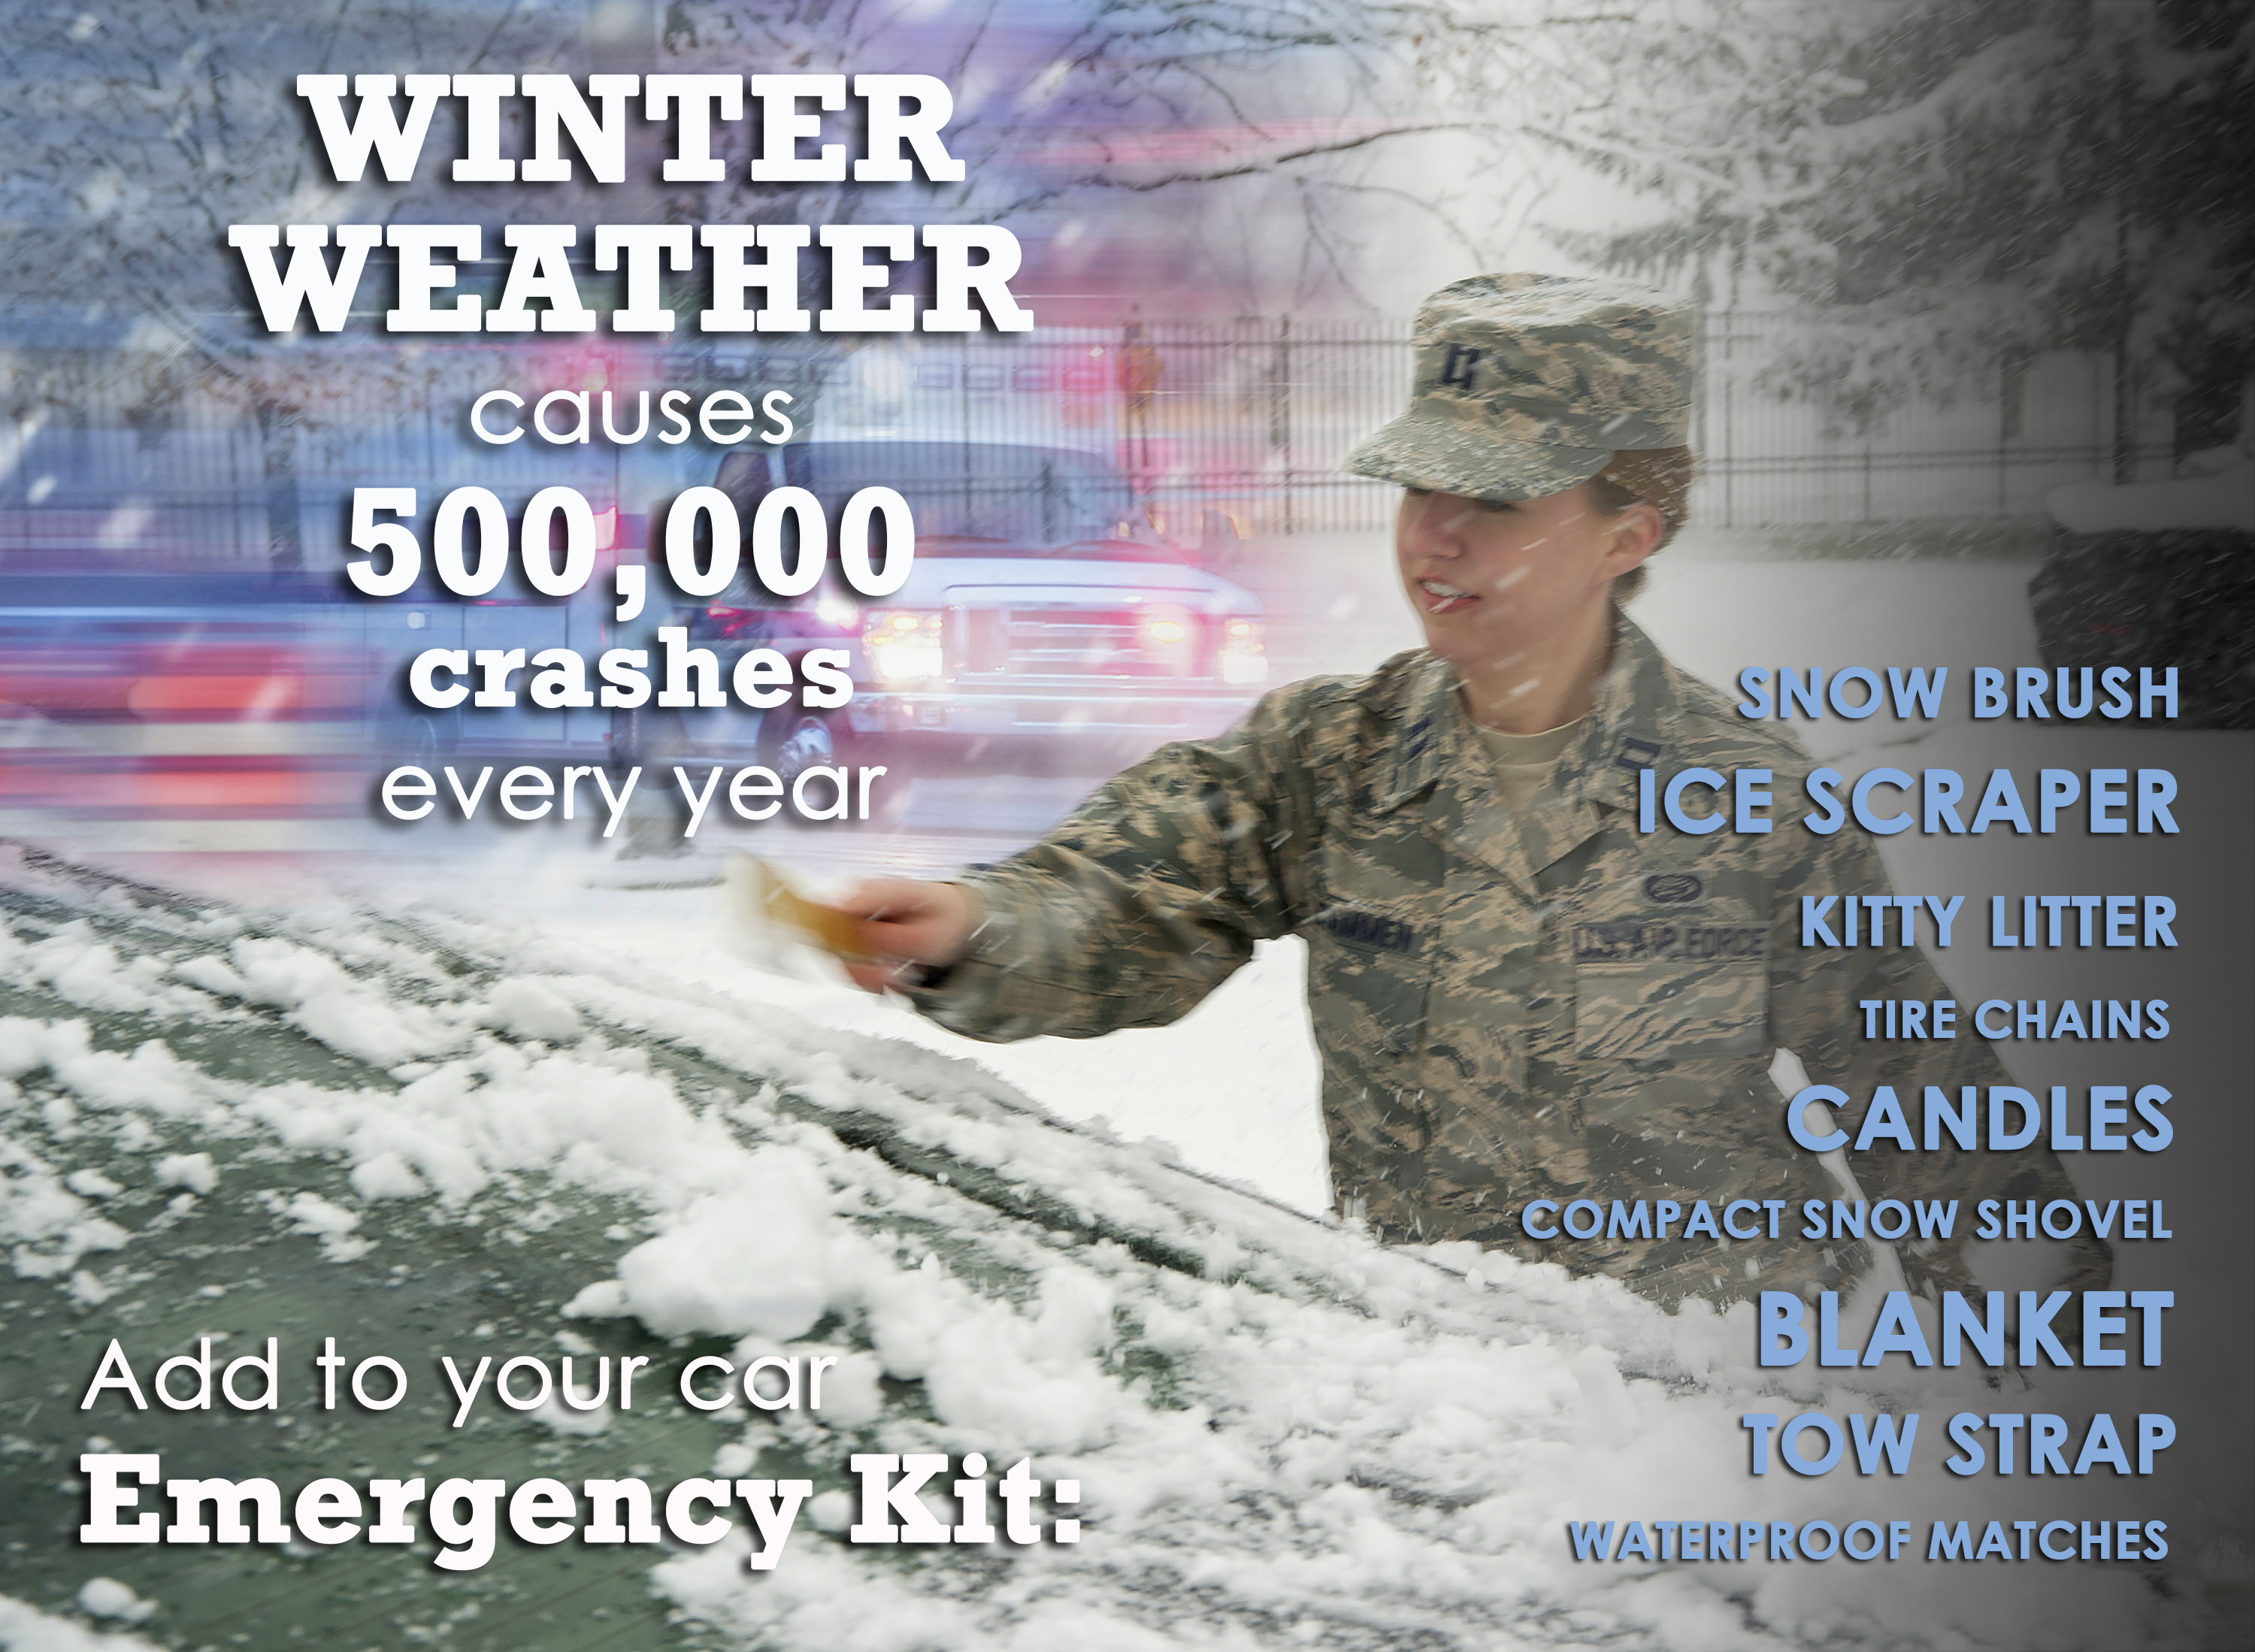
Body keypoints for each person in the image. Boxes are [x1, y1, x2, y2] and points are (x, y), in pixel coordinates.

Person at [828, 272, 2108, 1309]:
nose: (1433, 534)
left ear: (1630, 532)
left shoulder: (1749, 801)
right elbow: (1122, 894)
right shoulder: (1331, 756)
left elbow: (1938, 1125)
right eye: (1419, 488)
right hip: (1444, 1392)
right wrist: (977, 929)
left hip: (1710, 1420)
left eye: (1492, 498)